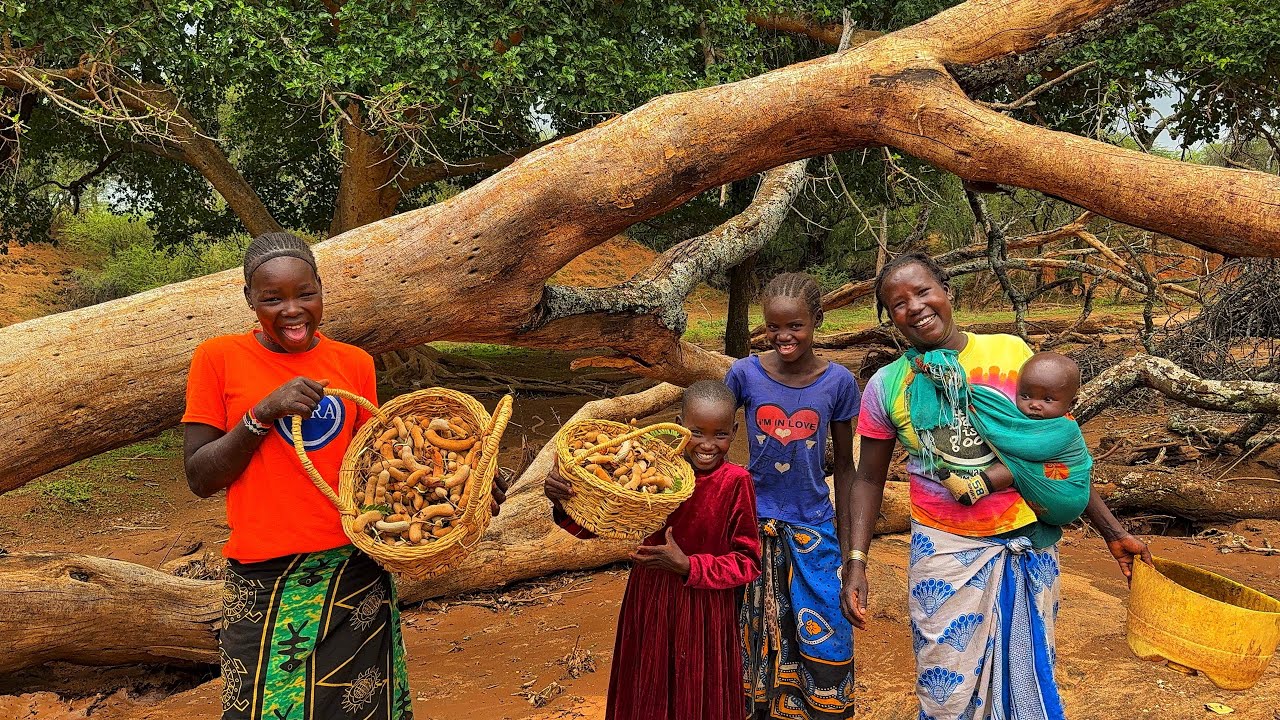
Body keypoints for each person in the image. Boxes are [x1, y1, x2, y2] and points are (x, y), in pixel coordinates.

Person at [183, 232, 506, 720]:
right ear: (250, 300)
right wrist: (262, 414)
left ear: (321, 290)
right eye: (272, 298)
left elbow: (382, 470)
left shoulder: (353, 364)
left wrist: (466, 485)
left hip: (353, 569)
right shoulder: (218, 358)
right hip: (267, 571)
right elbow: (200, 476)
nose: (292, 310)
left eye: (304, 294)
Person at [841, 253, 1149, 720]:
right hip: (944, 551)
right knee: (945, 690)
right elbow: (867, 478)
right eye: (898, 303)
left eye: (923, 291)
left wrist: (1111, 532)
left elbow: (1060, 452)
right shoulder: (888, 385)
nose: (916, 307)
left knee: (1024, 680)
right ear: (889, 319)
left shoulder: (1011, 354)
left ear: (946, 290)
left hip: (1025, 540)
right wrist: (856, 562)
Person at [544, 380, 761, 720]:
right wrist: (563, 500)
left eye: (720, 434)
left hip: (705, 611)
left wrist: (690, 566)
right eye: (696, 432)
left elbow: (748, 561)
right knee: (649, 690)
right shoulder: (650, 469)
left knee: (698, 696)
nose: (707, 444)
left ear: (734, 431)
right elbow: (601, 525)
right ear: (678, 424)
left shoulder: (735, 482)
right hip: (650, 601)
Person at [727, 273, 860, 720]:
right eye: (773, 327)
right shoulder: (744, 374)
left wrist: (852, 556)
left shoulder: (839, 382)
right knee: (750, 636)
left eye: (796, 326)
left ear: (817, 321)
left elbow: (844, 466)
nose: (784, 337)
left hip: (812, 526)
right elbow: (709, 440)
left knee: (826, 627)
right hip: (750, 526)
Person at [936, 351, 1093, 526]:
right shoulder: (1023, 419)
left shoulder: (1066, 428)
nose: (1034, 404)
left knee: (1012, 465)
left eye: (1047, 399)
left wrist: (987, 425)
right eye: (1025, 396)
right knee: (1015, 466)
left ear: (1071, 404)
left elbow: (1029, 448)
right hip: (1038, 502)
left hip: (1066, 497)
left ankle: (971, 489)